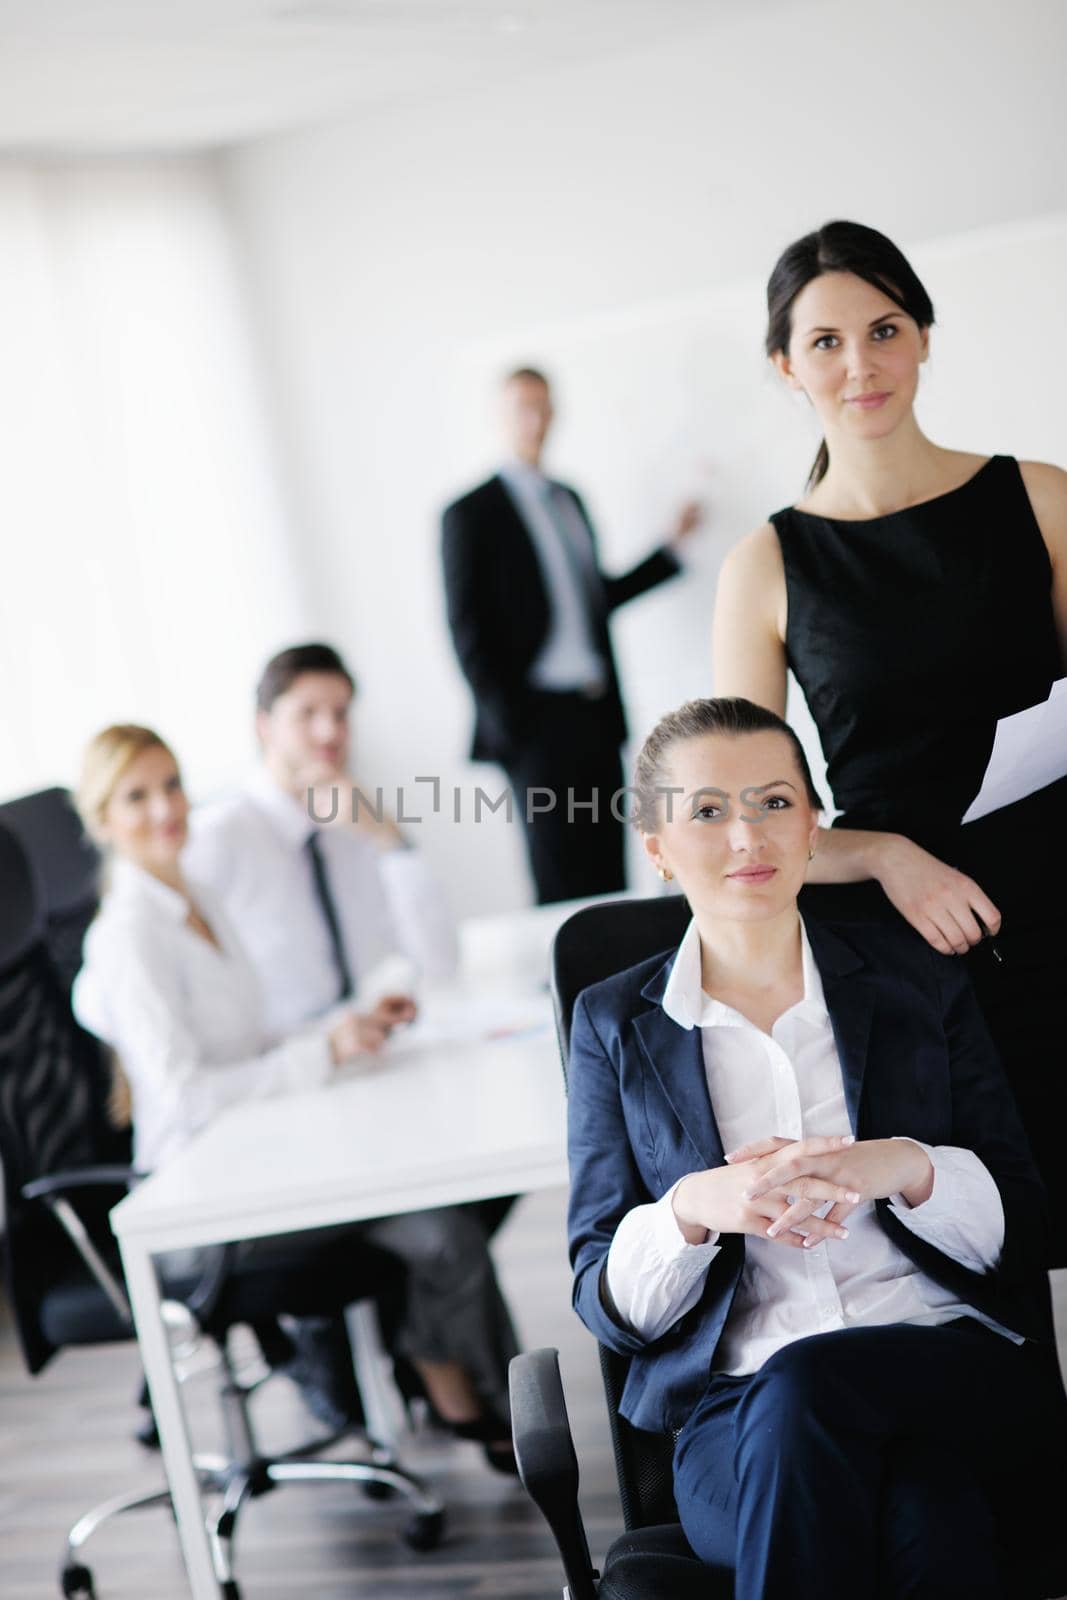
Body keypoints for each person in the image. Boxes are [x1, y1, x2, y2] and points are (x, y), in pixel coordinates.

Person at [567, 696, 1067, 1599]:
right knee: (923, 1516)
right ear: (655, 845)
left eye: (773, 803)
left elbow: (1024, 1225)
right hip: (735, 1417)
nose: (745, 837)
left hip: (945, 1362)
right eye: (708, 811)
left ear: (812, 827)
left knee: (813, 1387)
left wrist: (907, 1168)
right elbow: (606, 1304)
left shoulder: (915, 978)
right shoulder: (612, 1024)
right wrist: (693, 1209)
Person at [711, 219, 1067, 1217]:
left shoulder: (1036, 498)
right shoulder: (766, 567)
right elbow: (744, 826)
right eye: (824, 342)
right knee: (981, 1239)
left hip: (1058, 888)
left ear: (920, 337)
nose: (858, 364)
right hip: (913, 950)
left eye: (883, 329)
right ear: (785, 364)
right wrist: (882, 856)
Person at [73, 724, 519, 1472]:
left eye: (172, 785)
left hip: (258, 1155)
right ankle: (467, 1393)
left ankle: (470, 1388)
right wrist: (319, 1053)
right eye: (137, 796)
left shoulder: (199, 895)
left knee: (443, 1216)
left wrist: (339, 1028)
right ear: (103, 821)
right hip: (201, 1199)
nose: (164, 810)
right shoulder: (127, 935)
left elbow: (247, 1036)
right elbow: (183, 1093)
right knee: (437, 1224)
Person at [441, 365, 702, 903]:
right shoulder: (471, 513)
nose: (535, 419)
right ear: (500, 417)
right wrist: (512, 726)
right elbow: (468, 631)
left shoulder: (569, 500)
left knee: (611, 869)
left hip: (595, 716)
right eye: (522, 407)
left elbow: (591, 600)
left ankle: (612, 984)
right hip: (533, 725)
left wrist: (669, 550)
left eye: (543, 406)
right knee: (559, 876)